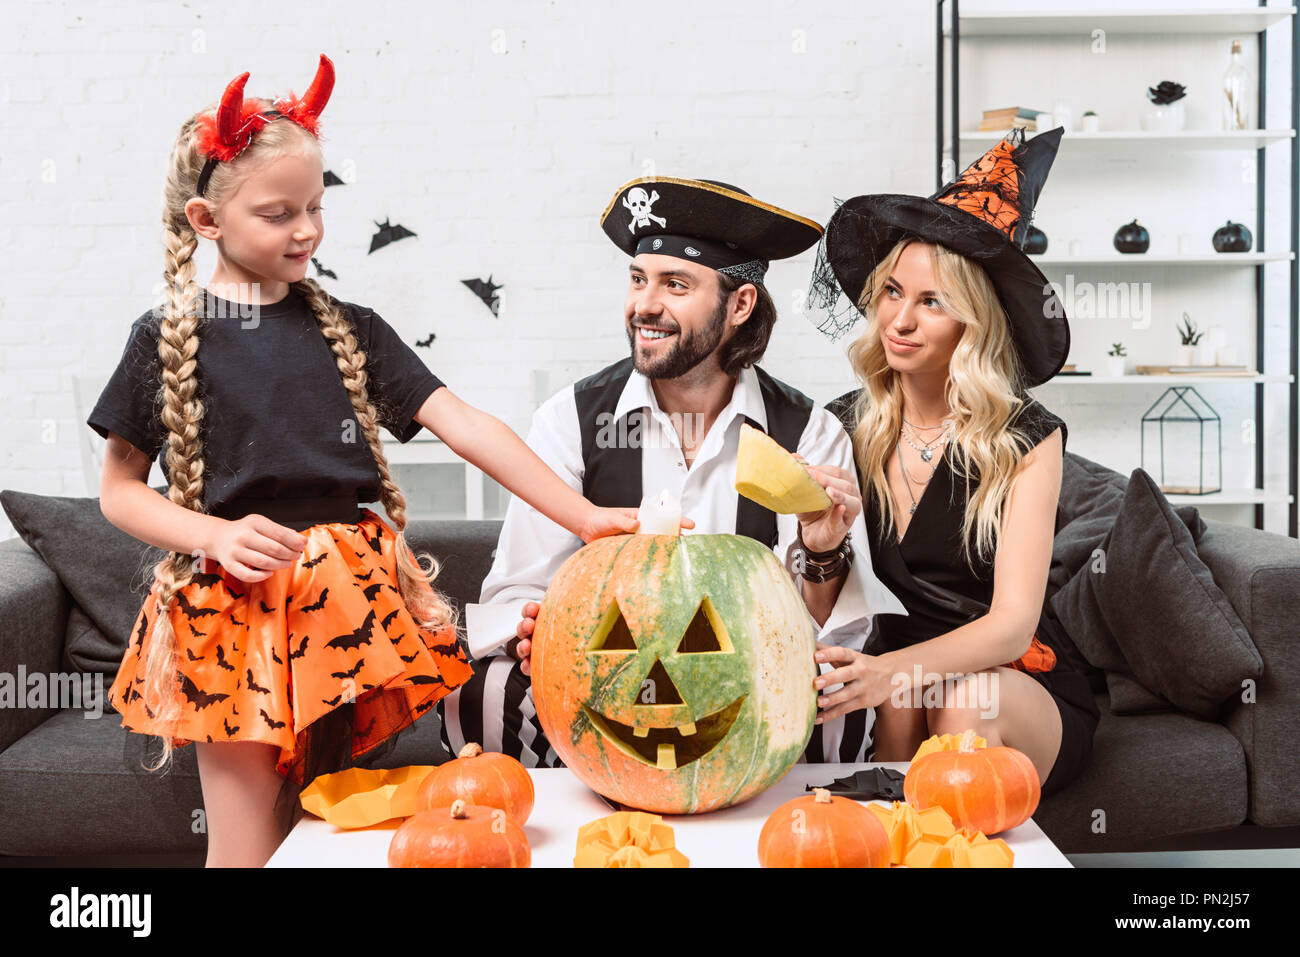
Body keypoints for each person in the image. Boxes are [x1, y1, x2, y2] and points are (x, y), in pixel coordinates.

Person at [87, 54, 639, 867]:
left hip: (345, 605)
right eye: (278, 214)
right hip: (235, 608)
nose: (306, 229)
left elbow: (468, 426)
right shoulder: (165, 336)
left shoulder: (355, 328)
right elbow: (119, 492)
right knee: (245, 848)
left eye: (315, 206)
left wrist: (585, 516)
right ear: (208, 220)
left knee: (325, 833)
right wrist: (212, 534)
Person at [437, 176, 907, 768]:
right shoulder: (572, 421)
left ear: (740, 305)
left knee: (839, 698)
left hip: (744, 686)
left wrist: (822, 551)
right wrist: (535, 625)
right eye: (638, 280)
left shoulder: (808, 434)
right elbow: (516, 591)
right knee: (481, 693)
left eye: (675, 284)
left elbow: (829, 639)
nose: (645, 305)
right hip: (600, 678)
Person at [804, 126, 1099, 796]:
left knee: (961, 702)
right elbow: (822, 614)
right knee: (906, 702)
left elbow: (1013, 623)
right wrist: (819, 549)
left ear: (974, 321)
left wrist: (892, 672)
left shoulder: (1028, 437)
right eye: (892, 292)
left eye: (932, 301)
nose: (899, 320)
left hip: (1010, 677)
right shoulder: (845, 422)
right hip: (903, 681)